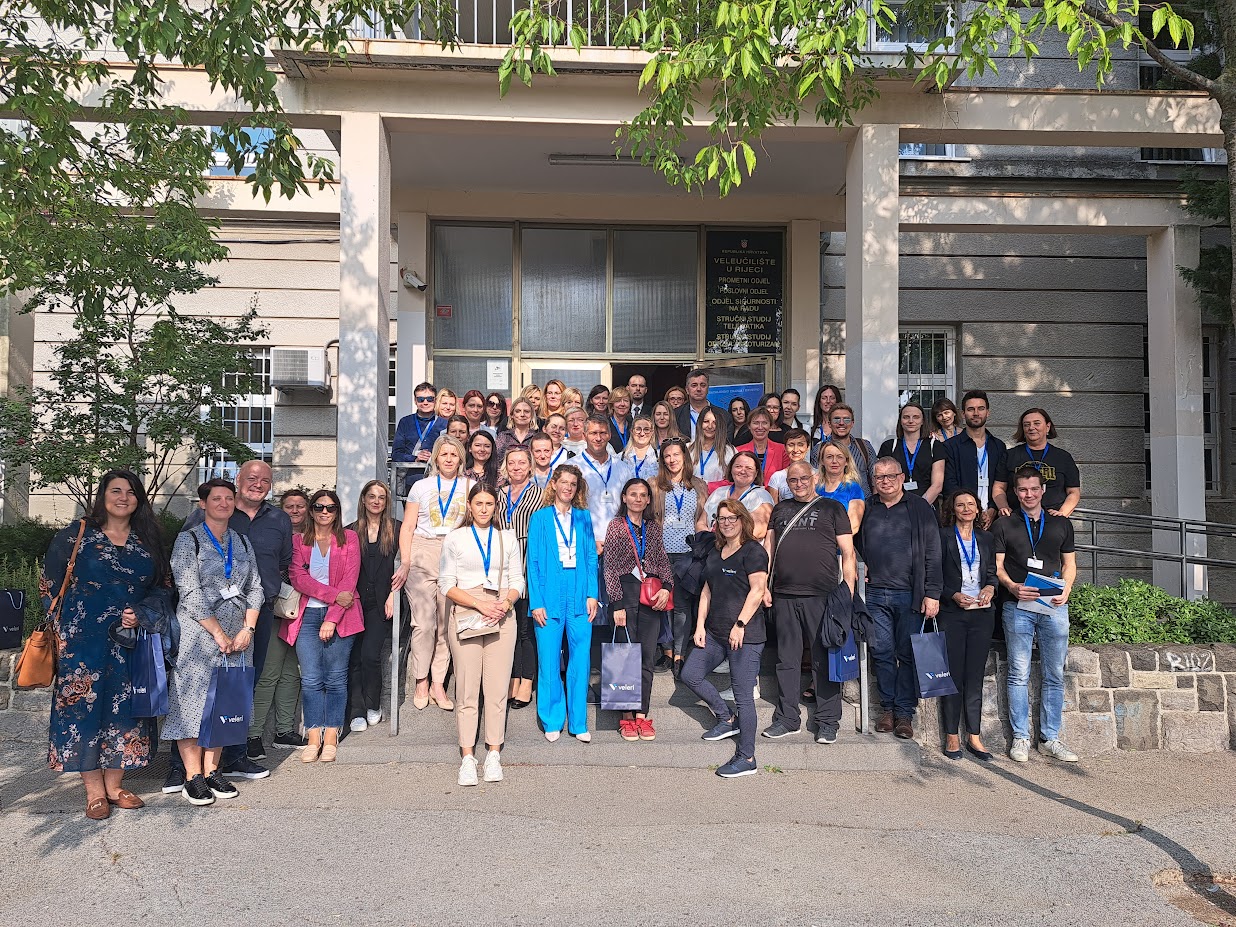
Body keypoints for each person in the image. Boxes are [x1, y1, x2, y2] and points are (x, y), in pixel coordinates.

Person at [42, 469, 169, 819]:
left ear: (139, 499)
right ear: (103, 496)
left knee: (126, 709)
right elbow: (49, 584)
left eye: (131, 492)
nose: (123, 497)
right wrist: (61, 633)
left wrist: (142, 613)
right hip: (82, 642)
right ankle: (94, 792)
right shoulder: (77, 535)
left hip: (131, 641)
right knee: (83, 710)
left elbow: (163, 587)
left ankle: (115, 786)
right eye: (116, 490)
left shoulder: (148, 540)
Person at [175, 458, 291, 784]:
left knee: (238, 689)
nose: (258, 484)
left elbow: (278, 566)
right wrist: (216, 630)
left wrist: (248, 626)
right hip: (203, 625)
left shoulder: (277, 520)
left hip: (252, 619)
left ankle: (232, 760)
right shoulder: (197, 525)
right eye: (251, 478)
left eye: (264, 480)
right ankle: (184, 771)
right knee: (194, 692)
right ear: (239, 480)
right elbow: (186, 580)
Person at [164, 479, 265, 806]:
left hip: (239, 636)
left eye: (228, 498)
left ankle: (211, 771)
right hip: (199, 634)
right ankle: (192, 776)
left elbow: (256, 588)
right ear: (203, 504)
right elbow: (189, 592)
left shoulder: (242, 541)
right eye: (216, 498)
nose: (223, 503)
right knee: (192, 703)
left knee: (225, 702)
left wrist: (248, 630)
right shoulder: (188, 540)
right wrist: (219, 634)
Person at [761, 461, 858, 743]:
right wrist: (764, 585)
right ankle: (787, 718)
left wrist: (848, 591)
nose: (799, 484)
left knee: (823, 660)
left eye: (804, 478)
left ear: (814, 478)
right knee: (786, 660)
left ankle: (828, 721)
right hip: (784, 594)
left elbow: (848, 552)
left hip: (822, 595)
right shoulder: (780, 509)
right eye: (793, 480)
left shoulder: (832, 508)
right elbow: (769, 548)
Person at [439, 483, 525, 786]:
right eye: (479, 503)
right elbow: (446, 583)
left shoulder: (507, 538)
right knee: (466, 689)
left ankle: (493, 754)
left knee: (497, 689)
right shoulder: (456, 538)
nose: (484, 509)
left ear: (496, 507)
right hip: (468, 611)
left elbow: (518, 580)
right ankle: (467, 757)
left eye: (490, 503)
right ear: (470, 506)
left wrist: (505, 603)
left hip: (502, 612)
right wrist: (479, 604)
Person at [993, 465, 1079, 764]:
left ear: (1043, 490)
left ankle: (1049, 738)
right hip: (1017, 605)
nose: (1028, 494)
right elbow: (997, 567)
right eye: (1022, 490)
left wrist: (1067, 590)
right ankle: (1020, 737)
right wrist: (1012, 587)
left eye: (1033, 489)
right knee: (1019, 673)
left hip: (1053, 605)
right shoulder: (1004, 524)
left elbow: (1069, 564)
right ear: (1015, 493)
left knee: (1054, 674)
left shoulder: (1060, 524)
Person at [679, 499, 768, 778]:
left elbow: (758, 590)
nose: (726, 523)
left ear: (742, 520)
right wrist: (700, 626)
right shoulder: (716, 552)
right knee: (690, 674)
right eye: (721, 518)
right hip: (716, 633)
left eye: (732, 518)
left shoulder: (753, 551)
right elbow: (706, 591)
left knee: (743, 697)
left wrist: (740, 624)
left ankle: (747, 757)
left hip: (745, 636)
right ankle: (726, 717)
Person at [857, 457, 943, 741]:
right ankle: (888, 709)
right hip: (874, 594)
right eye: (879, 477)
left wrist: (932, 593)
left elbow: (933, 551)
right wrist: (859, 564)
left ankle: (905, 713)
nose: (885, 481)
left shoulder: (919, 507)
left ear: (902, 477)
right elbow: (853, 541)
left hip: (910, 594)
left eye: (891, 476)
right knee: (881, 652)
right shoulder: (867, 506)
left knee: (907, 654)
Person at [284, 490, 362, 763]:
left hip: (342, 616)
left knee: (336, 678)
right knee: (311, 679)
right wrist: (333, 596)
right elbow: (298, 578)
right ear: (311, 510)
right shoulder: (298, 541)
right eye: (319, 507)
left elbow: (350, 582)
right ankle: (313, 736)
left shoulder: (349, 538)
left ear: (337, 511)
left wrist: (332, 617)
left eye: (330, 507)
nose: (324, 512)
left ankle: (331, 736)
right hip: (306, 616)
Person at [397, 436, 472, 712]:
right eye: (444, 454)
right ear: (436, 458)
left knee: (447, 622)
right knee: (424, 622)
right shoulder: (421, 486)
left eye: (454, 454)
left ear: (461, 458)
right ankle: (421, 679)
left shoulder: (469, 486)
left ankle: (438, 682)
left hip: (455, 552)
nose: (449, 459)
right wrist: (406, 561)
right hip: (423, 550)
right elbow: (407, 526)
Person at [527, 464, 599, 742]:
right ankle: (552, 719)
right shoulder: (540, 518)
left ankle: (578, 723)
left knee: (580, 660)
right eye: (564, 482)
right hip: (549, 592)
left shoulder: (583, 517)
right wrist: (536, 602)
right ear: (554, 484)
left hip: (579, 591)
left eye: (573, 484)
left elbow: (591, 557)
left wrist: (592, 593)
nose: (568, 487)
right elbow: (533, 562)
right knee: (548, 660)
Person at [604, 478, 674, 742]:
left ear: (648, 500)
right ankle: (626, 717)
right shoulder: (616, 526)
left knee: (646, 656)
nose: (638, 499)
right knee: (624, 656)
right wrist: (617, 604)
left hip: (651, 594)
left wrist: (667, 586)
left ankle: (642, 715)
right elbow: (610, 566)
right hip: (625, 593)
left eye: (643, 495)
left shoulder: (653, 527)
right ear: (624, 497)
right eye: (633, 494)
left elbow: (662, 559)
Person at [246, 489, 309, 755]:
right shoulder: (273, 534)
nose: (295, 510)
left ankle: (284, 731)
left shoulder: (314, 537)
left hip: (302, 612)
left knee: (292, 673)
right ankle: (252, 735)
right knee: (269, 672)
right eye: (289, 506)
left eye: (300, 506)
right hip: (273, 610)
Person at [938, 490, 997, 761]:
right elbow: (933, 575)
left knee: (974, 676)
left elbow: (992, 574)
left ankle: (974, 735)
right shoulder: (942, 536)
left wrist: (989, 587)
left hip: (981, 614)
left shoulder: (986, 538)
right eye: (960, 504)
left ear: (978, 509)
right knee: (953, 675)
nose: (966, 509)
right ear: (953, 509)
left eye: (971, 504)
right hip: (953, 612)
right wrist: (952, 594)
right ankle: (952, 734)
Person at [345, 480, 402, 734]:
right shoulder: (349, 531)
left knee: (370, 654)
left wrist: (393, 595)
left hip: (381, 603)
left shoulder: (396, 529)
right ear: (363, 499)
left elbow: (404, 566)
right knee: (354, 656)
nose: (376, 501)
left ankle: (373, 703)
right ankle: (356, 710)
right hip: (353, 602)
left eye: (381, 497)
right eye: (372, 496)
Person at [651, 438, 709, 676]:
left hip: (688, 554)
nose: (672, 459)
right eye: (667, 456)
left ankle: (679, 654)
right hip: (661, 552)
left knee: (682, 605)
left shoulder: (699, 485)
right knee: (663, 604)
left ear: (684, 456)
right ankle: (666, 651)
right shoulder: (655, 484)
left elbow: (702, 518)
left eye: (676, 454)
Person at [496, 447, 543, 710]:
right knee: (508, 628)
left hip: (528, 561)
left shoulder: (540, 495)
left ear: (530, 466)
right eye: (511, 463)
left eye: (522, 463)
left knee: (526, 630)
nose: (516, 467)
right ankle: (513, 677)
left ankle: (526, 681)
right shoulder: (497, 494)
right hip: (502, 564)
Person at [992, 408, 1082, 517]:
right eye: (1026, 425)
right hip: (1017, 519)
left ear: (1047, 427)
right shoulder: (1009, 455)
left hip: (1052, 520)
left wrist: (1062, 514)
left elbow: (1074, 492)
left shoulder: (1063, 457)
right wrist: (1004, 507)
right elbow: (999, 488)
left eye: (1037, 423)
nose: (1031, 427)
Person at [943, 389, 1007, 529]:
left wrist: (992, 510)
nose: (976, 413)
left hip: (993, 519)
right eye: (971, 409)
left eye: (981, 409)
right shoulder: (950, 446)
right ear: (963, 414)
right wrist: (971, 511)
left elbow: (1001, 483)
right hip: (961, 517)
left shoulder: (998, 446)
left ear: (988, 412)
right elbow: (949, 484)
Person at [579, 415, 633, 562]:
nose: (598, 438)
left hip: (619, 545)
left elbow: (631, 507)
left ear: (609, 435)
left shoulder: (623, 468)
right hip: (585, 545)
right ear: (584, 436)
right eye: (593, 433)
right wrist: (589, 539)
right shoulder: (573, 467)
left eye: (602, 433)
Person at [877, 402, 946, 504]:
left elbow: (937, 485)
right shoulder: (889, 446)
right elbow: (881, 480)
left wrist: (919, 506)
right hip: (895, 505)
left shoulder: (935, 446)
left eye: (916, 417)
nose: (911, 421)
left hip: (926, 505)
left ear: (922, 421)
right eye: (906, 417)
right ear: (900, 421)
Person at [704, 451, 774, 542]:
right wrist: (707, 541)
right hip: (711, 547)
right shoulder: (718, 492)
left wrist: (725, 544)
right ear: (731, 469)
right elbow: (701, 523)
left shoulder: (761, 496)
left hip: (742, 549)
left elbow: (758, 531)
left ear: (756, 473)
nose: (743, 471)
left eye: (749, 468)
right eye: (738, 466)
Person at [392, 381, 448, 489]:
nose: (425, 402)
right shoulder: (405, 422)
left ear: (435, 400)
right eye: (421, 399)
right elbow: (396, 454)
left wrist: (433, 457)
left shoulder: (444, 424)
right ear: (415, 401)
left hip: (437, 481)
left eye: (429, 399)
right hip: (411, 481)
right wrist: (415, 458)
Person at [815, 403, 876, 497]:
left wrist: (875, 503)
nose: (841, 423)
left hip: (864, 503)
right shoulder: (819, 449)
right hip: (829, 503)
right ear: (829, 424)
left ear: (852, 423)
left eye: (846, 419)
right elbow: (815, 480)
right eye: (836, 419)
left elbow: (876, 478)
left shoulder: (864, 446)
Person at [816, 441, 866, 535]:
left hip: (839, 542)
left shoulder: (853, 489)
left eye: (839, 457)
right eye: (829, 457)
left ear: (846, 462)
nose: (834, 461)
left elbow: (853, 527)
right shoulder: (815, 488)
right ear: (822, 461)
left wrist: (829, 541)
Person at [737, 407, 789, 488]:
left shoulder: (782, 450)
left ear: (770, 426)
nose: (760, 427)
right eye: (756, 423)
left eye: (764, 423)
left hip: (774, 495)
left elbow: (786, 479)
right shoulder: (738, 451)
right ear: (749, 426)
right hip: (747, 494)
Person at [676, 368, 730, 439]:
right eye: (694, 385)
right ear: (687, 390)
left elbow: (726, 441)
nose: (699, 389)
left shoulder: (724, 416)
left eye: (703, 385)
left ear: (708, 389)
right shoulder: (676, 415)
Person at [691, 406, 734, 489]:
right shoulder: (688, 449)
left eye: (715, 422)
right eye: (706, 421)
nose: (710, 426)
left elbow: (733, 482)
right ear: (699, 424)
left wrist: (709, 486)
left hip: (719, 496)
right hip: (691, 495)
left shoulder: (730, 451)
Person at [767, 428, 811, 501]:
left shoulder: (815, 474)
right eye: (791, 445)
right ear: (785, 448)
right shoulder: (777, 477)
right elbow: (774, 506)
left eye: (800, 445)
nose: (796, 450)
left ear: (808, 447)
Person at [496, 397, 537, 462]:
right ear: (512, 415)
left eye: (526, 411)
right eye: (518, 411)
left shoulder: (536, 437)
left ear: (532, 415)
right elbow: (496, 460)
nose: (522, 415)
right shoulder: (503, 436)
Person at [621, 414, 660, 481]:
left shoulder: (660, 457)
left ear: (652, 432)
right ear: (632, 431)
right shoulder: (620, 458)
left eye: (646, 429)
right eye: (638, 429)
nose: (642, 434)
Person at [607, 386, 633, 453]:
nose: (622, 404)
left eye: (626, 401)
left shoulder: (633, 425)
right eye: (618, 401)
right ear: (612, 405)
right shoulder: (605, 425)